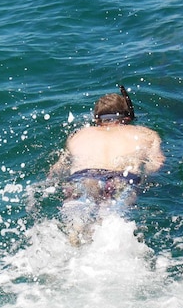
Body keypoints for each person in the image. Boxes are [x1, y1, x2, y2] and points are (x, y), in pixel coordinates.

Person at [45, 86, 164, 241]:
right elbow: (156, 164)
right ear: (127, 118)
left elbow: (57, 168)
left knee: (77, 221)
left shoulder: (78, 135)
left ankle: (75, 233)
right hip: (121, 179)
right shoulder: (146, 134)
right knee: (109, 223)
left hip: (83, 177)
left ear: (96, 119)